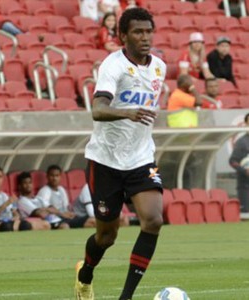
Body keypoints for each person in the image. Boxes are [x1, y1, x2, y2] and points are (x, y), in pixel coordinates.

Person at [74, 8, 166, 300]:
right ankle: (85, 274)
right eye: (138, 32)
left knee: (153, 220)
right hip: (105, 161)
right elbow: (97, 109)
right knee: (106, 237)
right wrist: (127, 113)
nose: (145, 37)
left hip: (140, 159)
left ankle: (125, 297)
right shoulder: (112, 65)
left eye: (148, 31)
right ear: (123, 36)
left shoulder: (159, 68)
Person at [0, 166, 32, 232]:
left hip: (10, 220)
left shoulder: (4, 195)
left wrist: (16, 216)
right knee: (7, 227)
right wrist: (7, 203)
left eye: (0, 177)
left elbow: (13, 210)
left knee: (26, 225)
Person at [229, 112, 249, 213]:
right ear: (246, 124)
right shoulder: (242, 142)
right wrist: (245, 170)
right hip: (245, 185)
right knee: (245, 214)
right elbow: (232, 161)